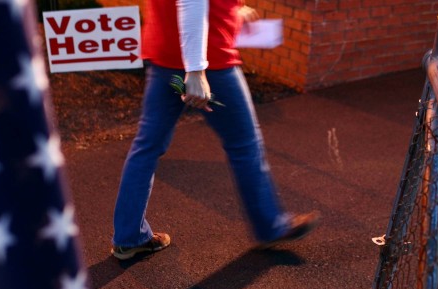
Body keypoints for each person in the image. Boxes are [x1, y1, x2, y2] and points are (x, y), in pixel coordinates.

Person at [110, 0, 320, 260]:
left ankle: (129, 238)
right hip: (211, 64)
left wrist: (231, 10)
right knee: (245, 144)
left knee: (146, 147)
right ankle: (269, 226)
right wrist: (196, 70)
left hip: (164, 58)